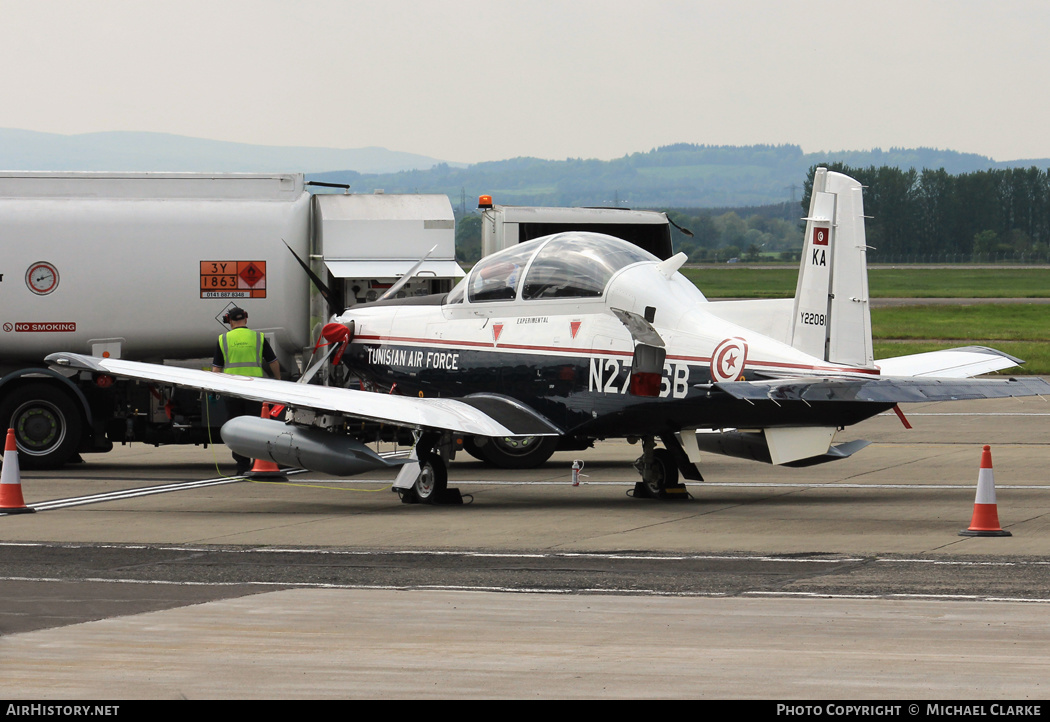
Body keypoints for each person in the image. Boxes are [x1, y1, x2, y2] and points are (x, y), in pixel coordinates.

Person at [211, 307, 280, 473]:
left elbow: (216, 368)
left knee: (236, 429)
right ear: (246, 319)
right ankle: (258, 462)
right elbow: (273, 362)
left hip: (232, 391)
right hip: (255, 391)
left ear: (230, 321)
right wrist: (278, 381)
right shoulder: (258, 337)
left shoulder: (223, 339)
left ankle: (241, 465)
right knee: (256, 428)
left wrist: (213, 389)